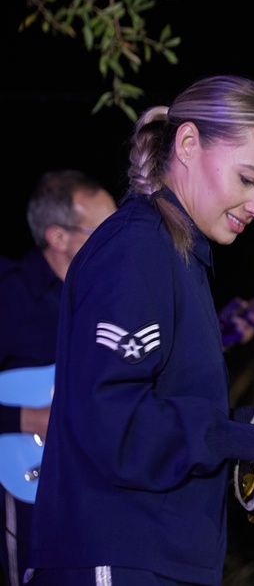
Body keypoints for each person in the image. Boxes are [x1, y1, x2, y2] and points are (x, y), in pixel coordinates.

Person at [27, 75, 254, 586]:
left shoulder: (177, 256)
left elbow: (175, 408)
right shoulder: (136, 251)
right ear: (189, 143)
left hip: (158, 557)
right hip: (118, 555)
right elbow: (115, 423)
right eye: (248, 179)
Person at [0, 170, 117, 586]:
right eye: (100, 230)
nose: (115, 241)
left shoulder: (108, 299)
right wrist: (28, 419)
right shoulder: (10, 293)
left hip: (89, 482)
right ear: (58, 236)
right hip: (21, 484)